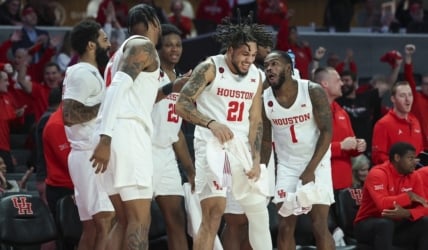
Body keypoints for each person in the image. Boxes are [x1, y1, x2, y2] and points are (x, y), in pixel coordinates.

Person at [175, 15, 273, 250]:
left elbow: (256, 119)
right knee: (213, 214)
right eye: (244, 54)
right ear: (230, 50)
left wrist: (256, 157)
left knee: (251, 214)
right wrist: (211, 123)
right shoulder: (210, 67)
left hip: (240, 148)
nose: (249, 60)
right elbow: (182, 104)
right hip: (211, 145)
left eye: (252, 55)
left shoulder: (257, 76)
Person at [90, 4, 162, 250]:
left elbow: (133, 95)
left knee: (123, 221)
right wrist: (106, 138)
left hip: (113, 133)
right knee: (140, 221)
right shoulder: (144, 46)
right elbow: (118, 88)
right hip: (123, 134)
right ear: (155, 23)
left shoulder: (120, 53)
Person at [262, 51, 335, 250]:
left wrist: (310, 169)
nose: (269, 68)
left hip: (316, 162)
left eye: (274, 64)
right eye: (266, 65)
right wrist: (260, 169)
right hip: (287, 166)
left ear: (288, 68)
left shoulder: (312, 90)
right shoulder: (264, 98)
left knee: (319, 226)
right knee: (285, 226)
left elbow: (327, 131)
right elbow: (266, 141)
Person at [62, 19, 115, 250]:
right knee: (105, 221)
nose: (109, 44)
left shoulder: (89, 73)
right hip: (89, 156)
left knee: (93, 228)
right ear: (91, 45)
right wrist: (105, 107)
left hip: (84, 156)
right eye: (104, 39)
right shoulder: (83, 74)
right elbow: (69, 115)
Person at [151, 23, 194, 250]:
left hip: (166, 155)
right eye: (168, 45)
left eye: (178, 45)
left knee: (176, 220)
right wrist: (172, 87)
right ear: (158, 49)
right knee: (131, 220)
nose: (174, 49)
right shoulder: (150, 74)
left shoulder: (179, 78)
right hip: (142, 151)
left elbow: (176, 130)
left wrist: (190, 170)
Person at [354, 142, 428, 250]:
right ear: (397, 157)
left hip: (396, 224)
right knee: (385, 224)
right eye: (410, 158)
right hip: (368, 223)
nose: (414, 162)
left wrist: (408, 213)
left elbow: (424, 207)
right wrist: (409, 197)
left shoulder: (414, 175)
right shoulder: (377, 173)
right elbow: (382, 206)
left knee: (425, 221)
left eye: (415, 158)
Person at [314, 67, 366, 192]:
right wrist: (341, 146)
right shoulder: (311, 112)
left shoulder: (341, 112)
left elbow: (351, 146)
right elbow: (310, 149)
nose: (342, 83)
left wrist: (358, 146)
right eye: (338, 80)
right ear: (325, 83)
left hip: (344, 185)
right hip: (320, 185)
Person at [371, 81, 423, 165]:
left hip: (414, 176)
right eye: (402, 96)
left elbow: (419, 151)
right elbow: (378, 157)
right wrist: (401, 164)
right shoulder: (383, 124)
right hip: (393, 176)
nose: (408, 99)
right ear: (393, 99)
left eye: (410, 95)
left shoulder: (415, 121)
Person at [403, 44, 428, 163]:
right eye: (425, 84)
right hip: (420, 150)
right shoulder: (416, 97)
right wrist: (408, 57)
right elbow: (409, 78)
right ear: (421, 85)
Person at [0, 69, 26, 173]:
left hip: (4, 148)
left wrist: (19, 115)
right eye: (5, 80)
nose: (8, 83)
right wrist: (3, 66)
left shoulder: (8, 98)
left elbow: (15, 124)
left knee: (9, 181)